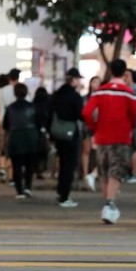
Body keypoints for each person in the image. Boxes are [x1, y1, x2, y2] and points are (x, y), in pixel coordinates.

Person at [82, 59, 136, 224]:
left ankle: (108, 205)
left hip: (101, 137)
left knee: (104, 170)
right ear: (124, 72)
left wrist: (94, 126)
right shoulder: (129, 93)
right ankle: (110, 204)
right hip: (121, 137)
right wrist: (130, 127)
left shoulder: (99, 92)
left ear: (110, 71)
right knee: (116, 170)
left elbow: (86, 112)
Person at [50, 68, 85, 207]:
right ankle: (65, 196)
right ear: (74, 80)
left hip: (58, 132)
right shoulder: (75, 96)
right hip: (71, 132)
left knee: (62, 163)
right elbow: (80, 114)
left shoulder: (57, 94)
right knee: (69, 165)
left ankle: (60, 192)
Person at [3, 83, 43, 198]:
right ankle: (28, 187)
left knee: (17, 165)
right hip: (31, 138)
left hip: (15, 138)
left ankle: (19, 190)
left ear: (15, 93)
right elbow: (39, 123)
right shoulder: (33, 107)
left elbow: (6, 125)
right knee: (30, 165)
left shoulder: (10, 108)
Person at [81, 75, 101, 191]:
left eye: (98, 82)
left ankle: (93, 174)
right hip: (88, 127)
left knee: (100, 153)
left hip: (98, 128)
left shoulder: (101, 97)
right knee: (86, 151)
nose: (96, 85)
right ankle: (85, 174)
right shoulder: (85, 98)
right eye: (94, 82)